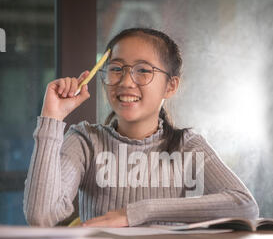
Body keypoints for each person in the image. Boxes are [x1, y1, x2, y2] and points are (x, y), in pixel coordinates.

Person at [23, 27, 259, 228]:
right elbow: (40, 216)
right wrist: (51, 119)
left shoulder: (187, 145)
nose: (126, 82)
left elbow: (244, 206)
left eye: (144, 71)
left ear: (171, 86)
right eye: (116, 69)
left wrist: (136, 212)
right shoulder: (85, 141)